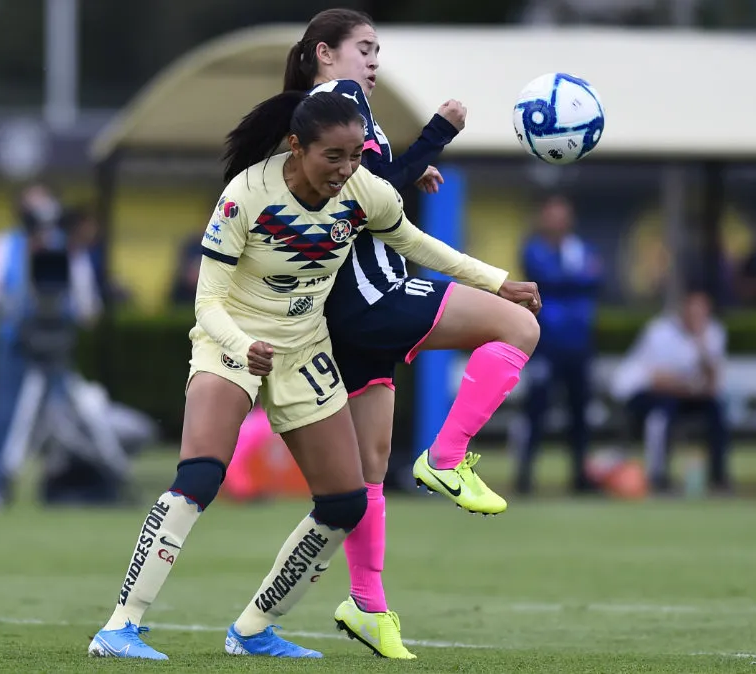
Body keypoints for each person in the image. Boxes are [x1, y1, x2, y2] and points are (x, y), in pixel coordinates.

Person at [88, 90, 538, 660]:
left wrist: (499, 283)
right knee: (200, 477)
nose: (346, 169)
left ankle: (252, 629)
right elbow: (207, 304)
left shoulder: (361, 190)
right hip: (231, 341)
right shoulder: (246, 195)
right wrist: (241, 344)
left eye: (355, 156)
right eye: (334, 156)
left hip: (304, 351)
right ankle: (119, 627)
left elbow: (418, 244)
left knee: (345, 503)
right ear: (297, 147)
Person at [279, 8, 542, 658]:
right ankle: (446, 457)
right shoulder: (338, 104)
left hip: (340, 314)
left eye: (377, 50)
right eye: (363, 48)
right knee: (518, 325)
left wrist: (409, 165)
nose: (373, 61)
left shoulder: (320, 113)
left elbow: (369, 192)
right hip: (375, 295)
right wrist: (435, 137)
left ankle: (369, 608)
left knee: (368, 470)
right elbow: (363, 198)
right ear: (323, 53)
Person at [0, 185, 100, 510]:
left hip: (54, 343)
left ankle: (58, 484)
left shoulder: (68, 251)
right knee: (6, 414)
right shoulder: (5, 245)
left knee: (60, 416)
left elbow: (88, 307)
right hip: (15, 342)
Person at [515, 195, 603, 495]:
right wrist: (574, 278)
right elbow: (544, 278)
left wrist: (567, 279)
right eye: (551, 215)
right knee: (536, 410)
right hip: (546, 343)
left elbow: (594, 278)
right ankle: (524, 476)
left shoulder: (583, 248)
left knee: (580, 412)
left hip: (579, 344)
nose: (557, 222)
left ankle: (580, 476)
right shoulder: (534, 249)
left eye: (562, 215)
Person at [611, 288, 731, 494]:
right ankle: (658, 476)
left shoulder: (713, 333)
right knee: (663, 411)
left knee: (716, 410)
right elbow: (655, 378)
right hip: (643, 392)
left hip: (684, 394)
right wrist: (688, 387)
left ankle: (718, 478)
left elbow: (712, 384)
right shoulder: (659, 331)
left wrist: (701, 346)